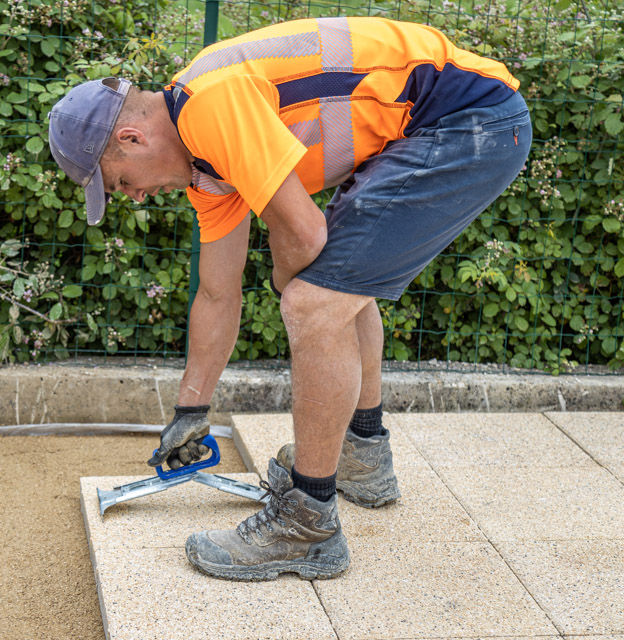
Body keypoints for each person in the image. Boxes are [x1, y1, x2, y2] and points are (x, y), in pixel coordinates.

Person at [47, 15, 530, 581]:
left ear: (131, 139)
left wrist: (293, 288)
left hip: (466, 121)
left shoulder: (210, 106)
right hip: (445, 124)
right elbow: (217, 293)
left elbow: (303, 234)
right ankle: (361, 456)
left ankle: (307, 523)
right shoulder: (206, 168)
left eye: (118, 181)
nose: (131, 197)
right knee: (336, 287)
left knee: (312, 300)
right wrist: (191, 408)